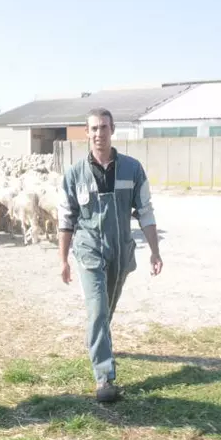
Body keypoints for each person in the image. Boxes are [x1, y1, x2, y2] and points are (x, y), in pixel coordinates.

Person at [57, 107, 163, 403]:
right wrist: (63, 259)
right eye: (93, 128)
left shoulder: (132, 169)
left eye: (104, 127)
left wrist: (155, 250)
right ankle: (104, 377)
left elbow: (145, 211)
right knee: (98, 309)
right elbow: (66, 219)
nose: (99, 133)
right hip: (89, 250)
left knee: (106, 308)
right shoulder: (75, 174)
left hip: (121, 249)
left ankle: (98, 340)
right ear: (87, 132)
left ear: (112, 130)